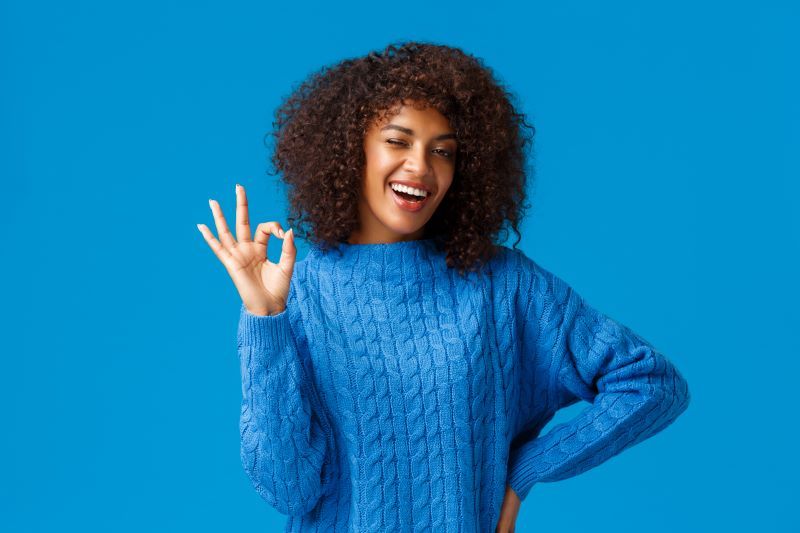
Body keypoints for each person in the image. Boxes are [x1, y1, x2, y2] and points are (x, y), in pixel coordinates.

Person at [196, 41, 691, 533]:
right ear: (352, 150)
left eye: (443, 151)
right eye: (397, 140)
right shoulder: (297, 294)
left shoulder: (503, 286)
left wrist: (526, 470)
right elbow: (288, 489)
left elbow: (652, 384)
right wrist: (264, 318)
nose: (420, 166)